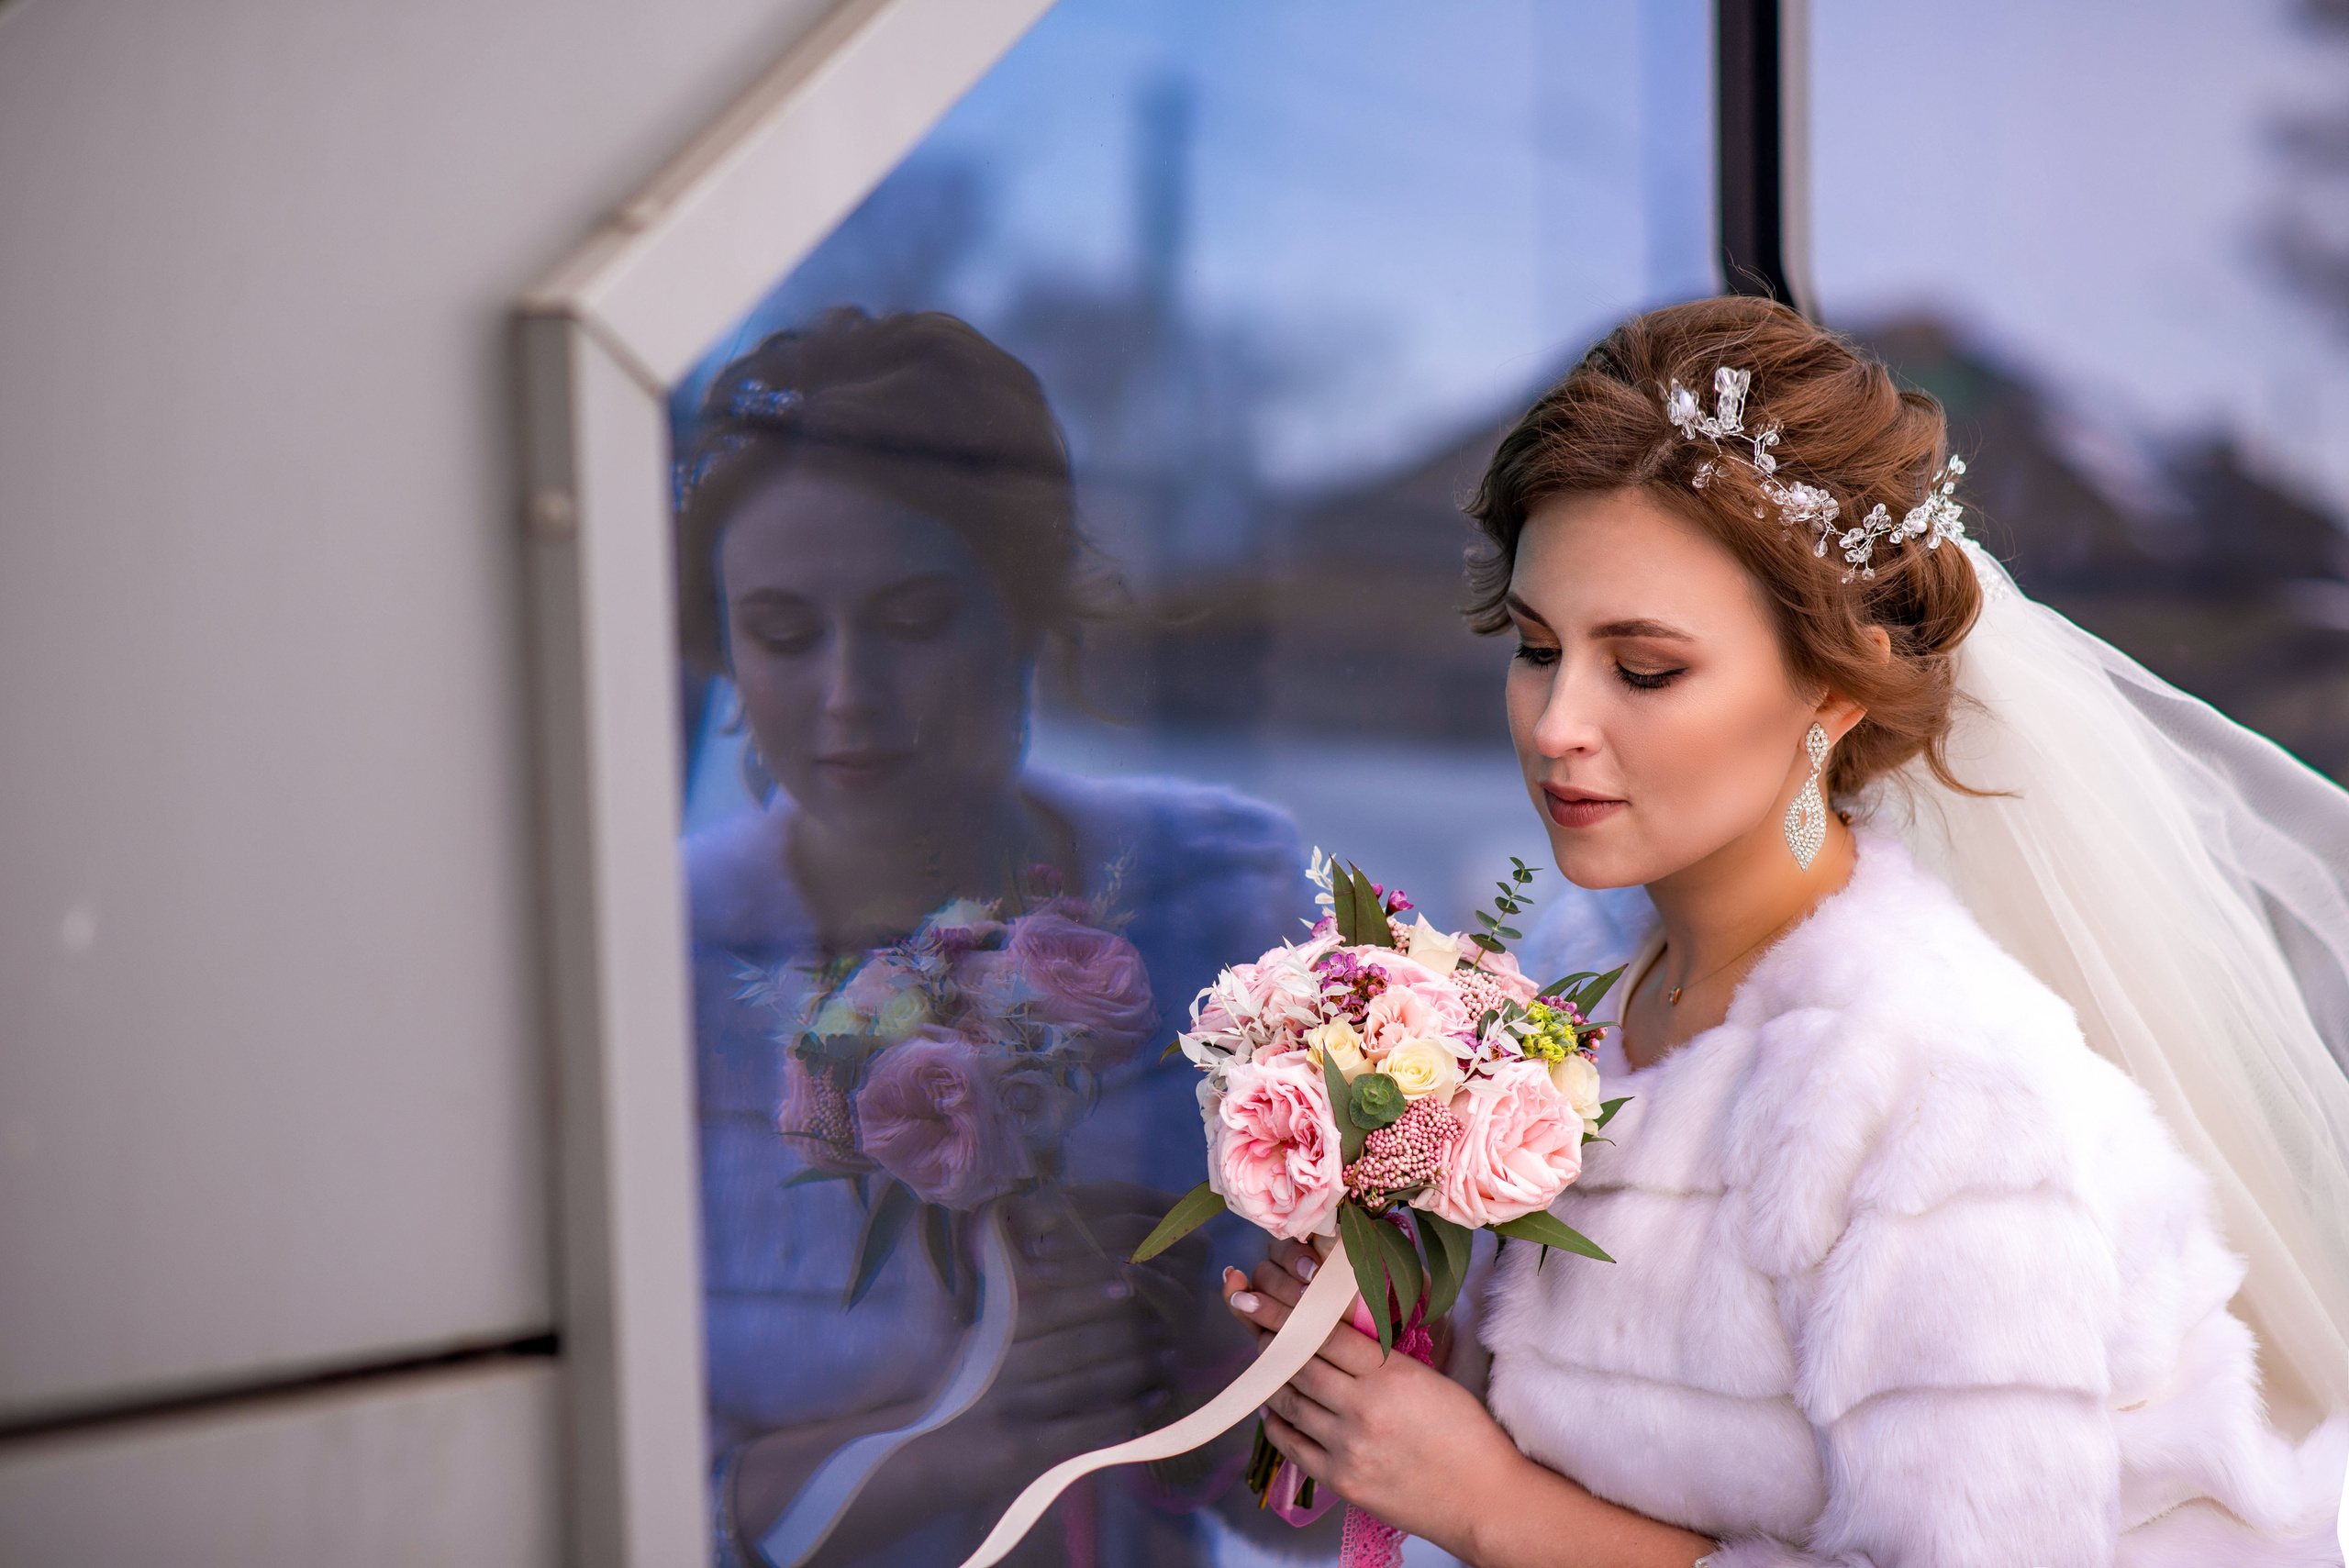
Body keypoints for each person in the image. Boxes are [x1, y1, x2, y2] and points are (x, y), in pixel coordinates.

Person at [1221, 297, 2349, 1564]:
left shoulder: (1940, 1097)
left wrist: (1487, 1503)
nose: (1555, 725)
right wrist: (1380, 1351)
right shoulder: (1576, 1023)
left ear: (1832, 685)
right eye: (1536, 649)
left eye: (1643, 668)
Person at [677, 308, 1314, 1566]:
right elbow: (609, 1490)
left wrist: (1208, 1363)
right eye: (785, 633)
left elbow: (1322, 1510)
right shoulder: (658, 960)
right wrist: (978, 1438)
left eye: (913, 620)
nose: (849, 696)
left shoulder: (1217, 900)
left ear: (1026, 609)